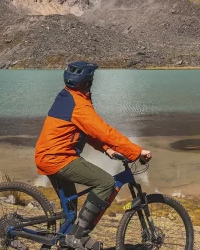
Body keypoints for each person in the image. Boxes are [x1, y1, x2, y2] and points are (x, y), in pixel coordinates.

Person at [34, 61, 151, 250]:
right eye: (91, 79)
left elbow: (87, 132)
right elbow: (104, 131)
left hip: (50, 156)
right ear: (87, 82)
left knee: (70, 212)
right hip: (59, 158)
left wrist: (106, 149)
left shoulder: (67, 97)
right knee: (106, 182)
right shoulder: (79, 105)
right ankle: (79, 236)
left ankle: (68, 240)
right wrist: (136, 151)